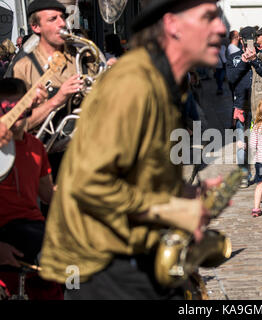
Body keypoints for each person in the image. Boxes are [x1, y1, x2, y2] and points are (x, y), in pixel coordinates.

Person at [38, 0, 228, 300]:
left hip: (135, 255)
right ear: (172, 25)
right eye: (208, 17)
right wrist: (173, 209)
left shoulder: (166, 82)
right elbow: (89, 184)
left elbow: (134, 172)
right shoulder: (132, 84)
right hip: (105, 267)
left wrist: (183, 193)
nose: (221, 28)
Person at [11, 0, 87, 180]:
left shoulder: (82, 56)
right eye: (53, 19)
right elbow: (18, 126)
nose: (62, 23)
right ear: (36, 27)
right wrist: (57, 100)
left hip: (86, 153)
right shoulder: (24, 67)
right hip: (51, 162)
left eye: (62, 17)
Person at [0, 78, 62, 299]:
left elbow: (47, 195)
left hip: (33, 229)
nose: (16, 117)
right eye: (8, 109)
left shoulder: (36, 147)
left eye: (21, 108)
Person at [226, 26, 262, 188]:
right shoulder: (234, 57)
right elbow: (230, 79)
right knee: (242, 143)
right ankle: (244, 175)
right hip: (242, 105)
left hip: (261, 107)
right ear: (242, 41)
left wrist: (255, 60)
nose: (251, 44)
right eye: (248, 41)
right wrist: (244, 61)